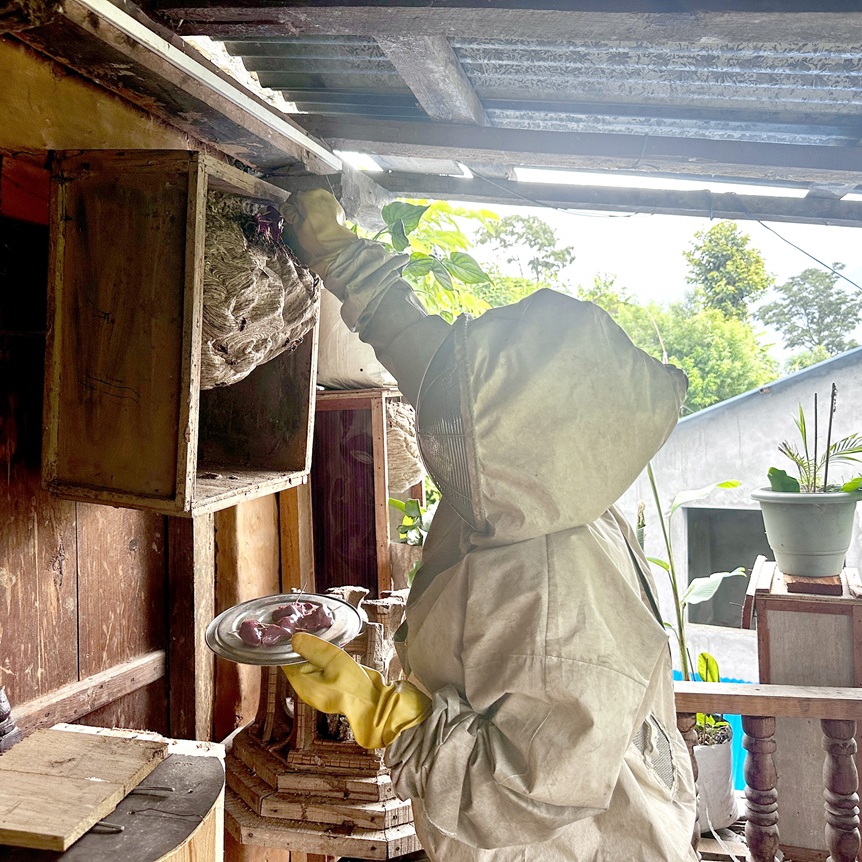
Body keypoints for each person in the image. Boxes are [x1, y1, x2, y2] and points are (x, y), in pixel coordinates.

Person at [280, 189, 697, 861]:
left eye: (452, 422)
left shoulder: (557, 604)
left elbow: (522, 797)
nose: (436, 429)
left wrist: (388, 718)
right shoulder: (544, 463)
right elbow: (454, 387)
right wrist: (344, 261)